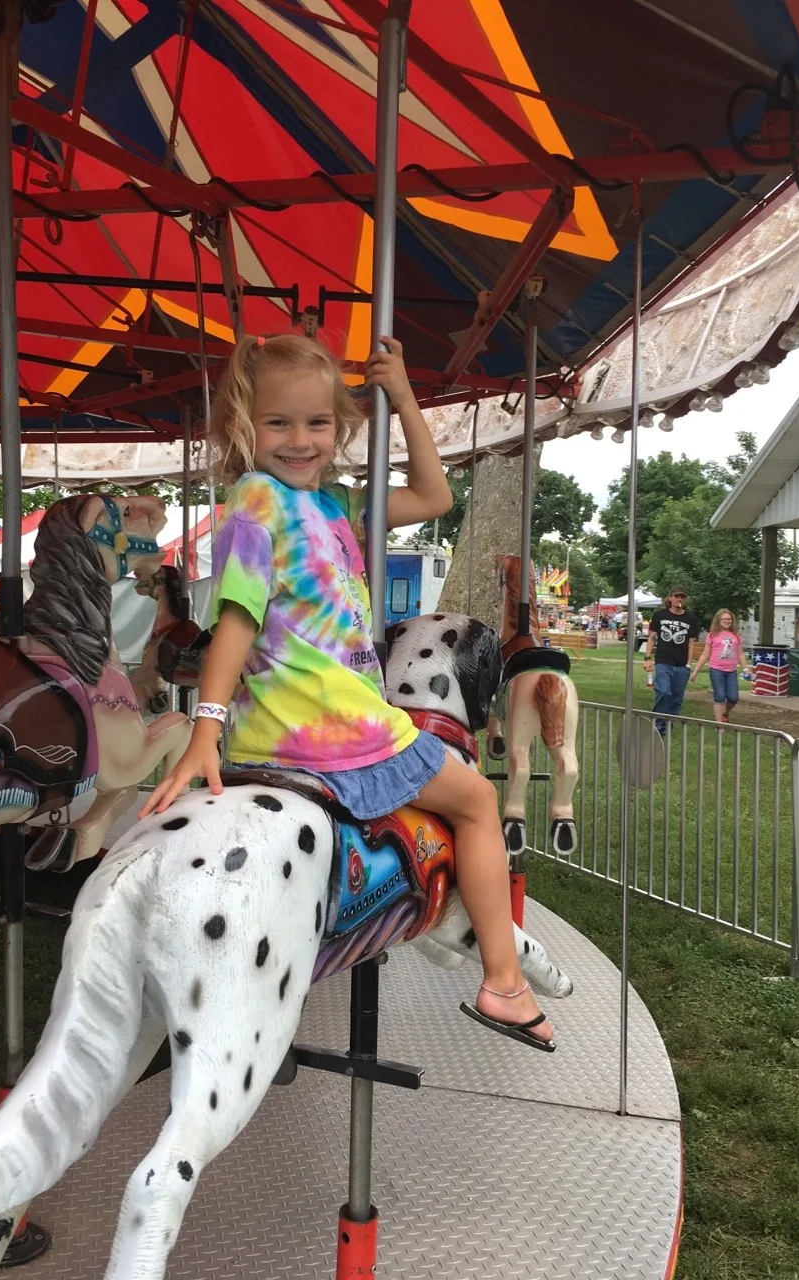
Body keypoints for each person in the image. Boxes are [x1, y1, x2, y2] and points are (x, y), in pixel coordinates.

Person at [140, 333, 556, 1051]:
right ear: (244, 425)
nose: (300, 440)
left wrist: (402, 396)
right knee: (479, 801)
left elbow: (435, 496)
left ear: (340, 427)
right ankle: (504, 982)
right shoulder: (258, 501)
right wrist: (204, 726)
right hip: (339, 730)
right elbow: (237, 619)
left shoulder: (336, 507)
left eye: (318, 423)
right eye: (278, 423)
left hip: (293, 727)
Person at [643, 586, 700, 734]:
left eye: (682, 597)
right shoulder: (660, 615)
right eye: (676, 596)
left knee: (676, 698)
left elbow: (691, 643)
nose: (679, 599)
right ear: (670, 598)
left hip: (681, 664)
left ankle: (668, 725)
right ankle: (658, 723)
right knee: (663, 691)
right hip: (663, 661)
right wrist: (647, 658)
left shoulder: (690, 619)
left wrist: (689, 664)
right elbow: (652, 637)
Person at [689, 608, 751, 724]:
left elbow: (740, 654)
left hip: (731, 671)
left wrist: (746, 669)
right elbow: (705, 654)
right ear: (718, 620)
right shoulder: (712, 635)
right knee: (720, 696)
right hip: (716, 670)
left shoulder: (736, 635)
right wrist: (695, 671)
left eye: (729, 619)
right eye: (724, 619)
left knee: (733, 698)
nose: (727, 621)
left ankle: (725, 712)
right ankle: (719, 724)